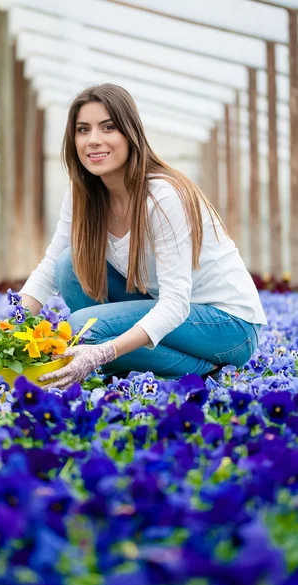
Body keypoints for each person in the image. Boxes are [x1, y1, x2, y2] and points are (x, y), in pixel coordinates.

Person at [20, 83, 267, 390]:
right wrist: (8, 328)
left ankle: (203, 370)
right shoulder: (82, 192)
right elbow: (48, 270)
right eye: (83, 130)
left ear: (130, 133)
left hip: (228, 326)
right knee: (67, 264)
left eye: (107, 127)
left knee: (82, 330)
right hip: (175, 315)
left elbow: (176, 303)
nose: (94, 140)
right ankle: (126, 361)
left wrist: (103, 351)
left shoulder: (162, 197)